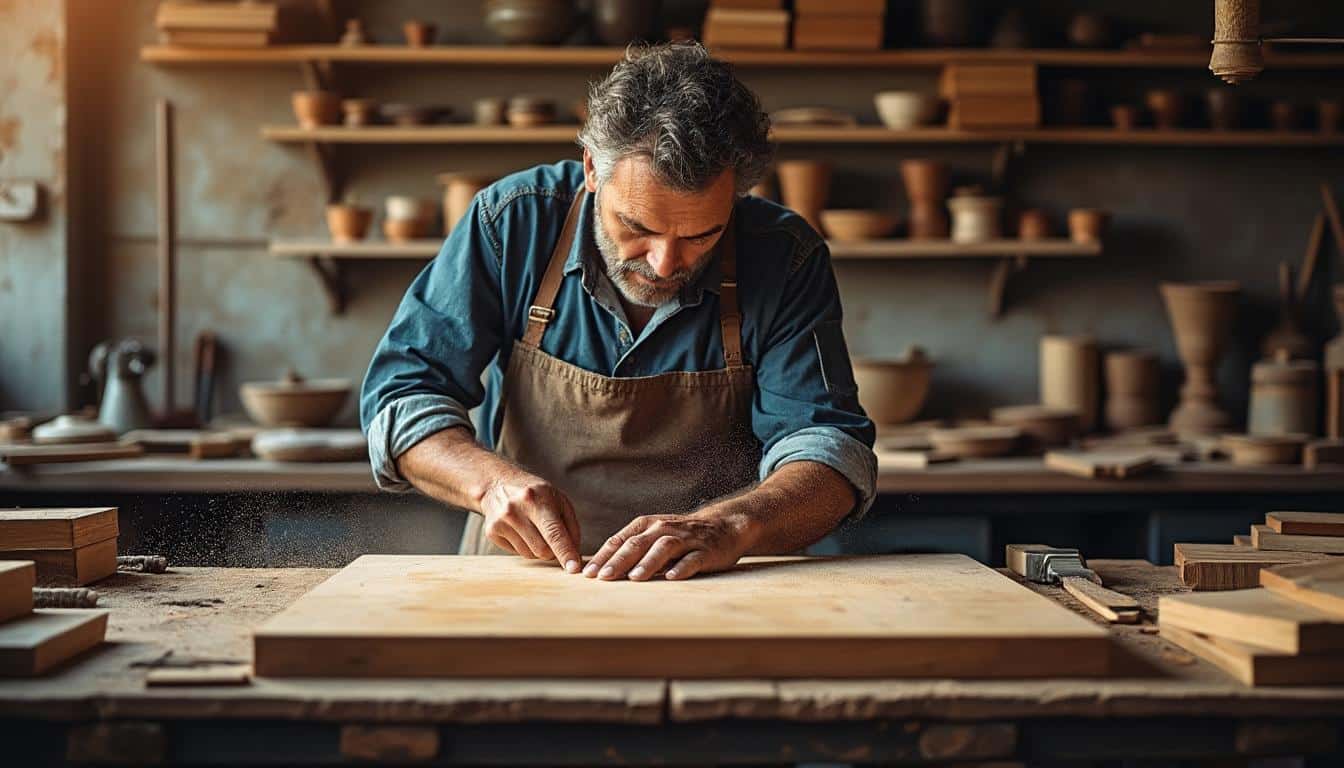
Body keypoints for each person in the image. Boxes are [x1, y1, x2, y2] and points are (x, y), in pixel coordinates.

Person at [361, 43, 875, 582]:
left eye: (702, 235)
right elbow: (402, 400)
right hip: (532, 576)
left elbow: (833, 450)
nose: (665, 263)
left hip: (720, 576)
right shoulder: (511, 223)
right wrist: (490, 485)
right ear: (590, 169)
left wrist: (731, 526)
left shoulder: (783, 255)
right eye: (638, 227)